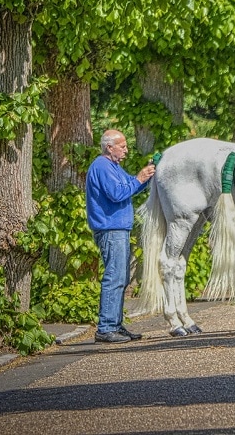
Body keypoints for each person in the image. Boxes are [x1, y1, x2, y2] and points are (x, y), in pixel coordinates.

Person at [86, 129, 156, 343]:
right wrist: (140, 178)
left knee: (121, 277)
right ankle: (106, 328)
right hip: (110, 229)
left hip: (118, 229)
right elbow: (118, 193)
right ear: (110, 147)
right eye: (122, 146)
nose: (126, 150)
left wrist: (147, 176)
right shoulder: (102, 166)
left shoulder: (114, 167)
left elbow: (131, 185)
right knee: (115, 277)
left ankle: (115, 325)